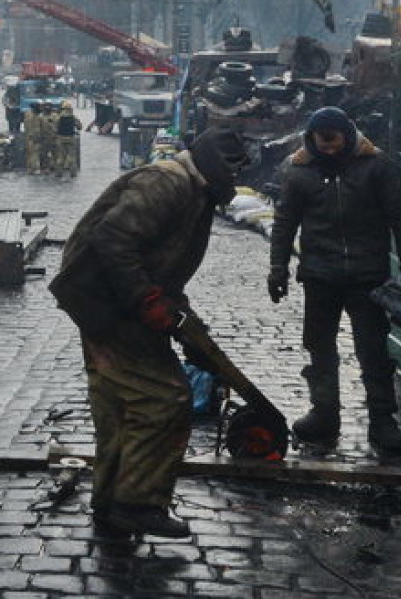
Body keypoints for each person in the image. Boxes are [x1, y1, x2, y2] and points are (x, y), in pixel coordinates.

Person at [48, 127, 250, 540]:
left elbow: (162, 263)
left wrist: (180, 315)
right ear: (218, 166)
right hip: (110, 306)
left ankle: (110, 502)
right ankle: (136, 504)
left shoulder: (194, 191)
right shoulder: (167, 183)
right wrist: (146, 299)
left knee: (118, 405)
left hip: (107, 304)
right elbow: (113, 240)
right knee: (165, 400)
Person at [268, 106, 401, 456]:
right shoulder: (298, 171)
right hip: (319, 276)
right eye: (323, 143)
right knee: (319, 348)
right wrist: (278, 268)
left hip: (368, 278)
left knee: (373, 352)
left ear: (347, 135)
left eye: (334, 141)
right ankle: (324, 414)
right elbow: (284, 221)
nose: (330, 149)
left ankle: (383, 421)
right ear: (312, 139)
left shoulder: (377, 167)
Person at [54, 100, 81, 178]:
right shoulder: (73, 117)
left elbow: (55, 127)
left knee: (60, 157)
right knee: (72, 157)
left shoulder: (58, 117)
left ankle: (58, 173)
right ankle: (73, 173)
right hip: (71, 138)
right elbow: (79, 126)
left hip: (61, 138)